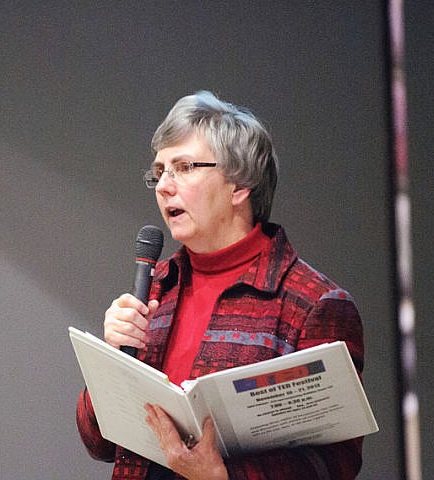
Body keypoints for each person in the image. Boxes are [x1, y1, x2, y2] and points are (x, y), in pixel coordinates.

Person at [76, 91, 365, 479]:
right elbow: (97, 442)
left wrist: (221, 477)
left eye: (184, 167)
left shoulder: (314, 304)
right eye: (159, 171)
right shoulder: (157, 286)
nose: (164, 185)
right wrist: (112, 357)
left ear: (239, 185)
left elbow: (334, 465)